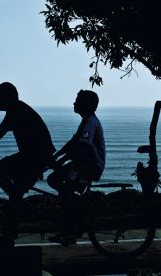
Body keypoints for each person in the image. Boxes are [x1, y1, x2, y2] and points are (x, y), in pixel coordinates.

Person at [0, 82, 55, 247]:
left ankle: (13, 215)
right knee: (11, 188)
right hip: (33, 157)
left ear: (7, 97)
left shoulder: (17, 111)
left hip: (36, 158)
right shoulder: (17, 109)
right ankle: (15, 203)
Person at [47, 90, 106, 246]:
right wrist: (56, 157)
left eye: (77, 101)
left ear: (85, 105)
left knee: (64, 188)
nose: (74, 103)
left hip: (90, 166)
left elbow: (82, 147)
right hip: (82, 164)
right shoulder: (86, 120)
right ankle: (73, 212)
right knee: (56, 180)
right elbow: (72, 143)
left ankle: (71, 227)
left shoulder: (91, 122)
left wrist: (61, 161)